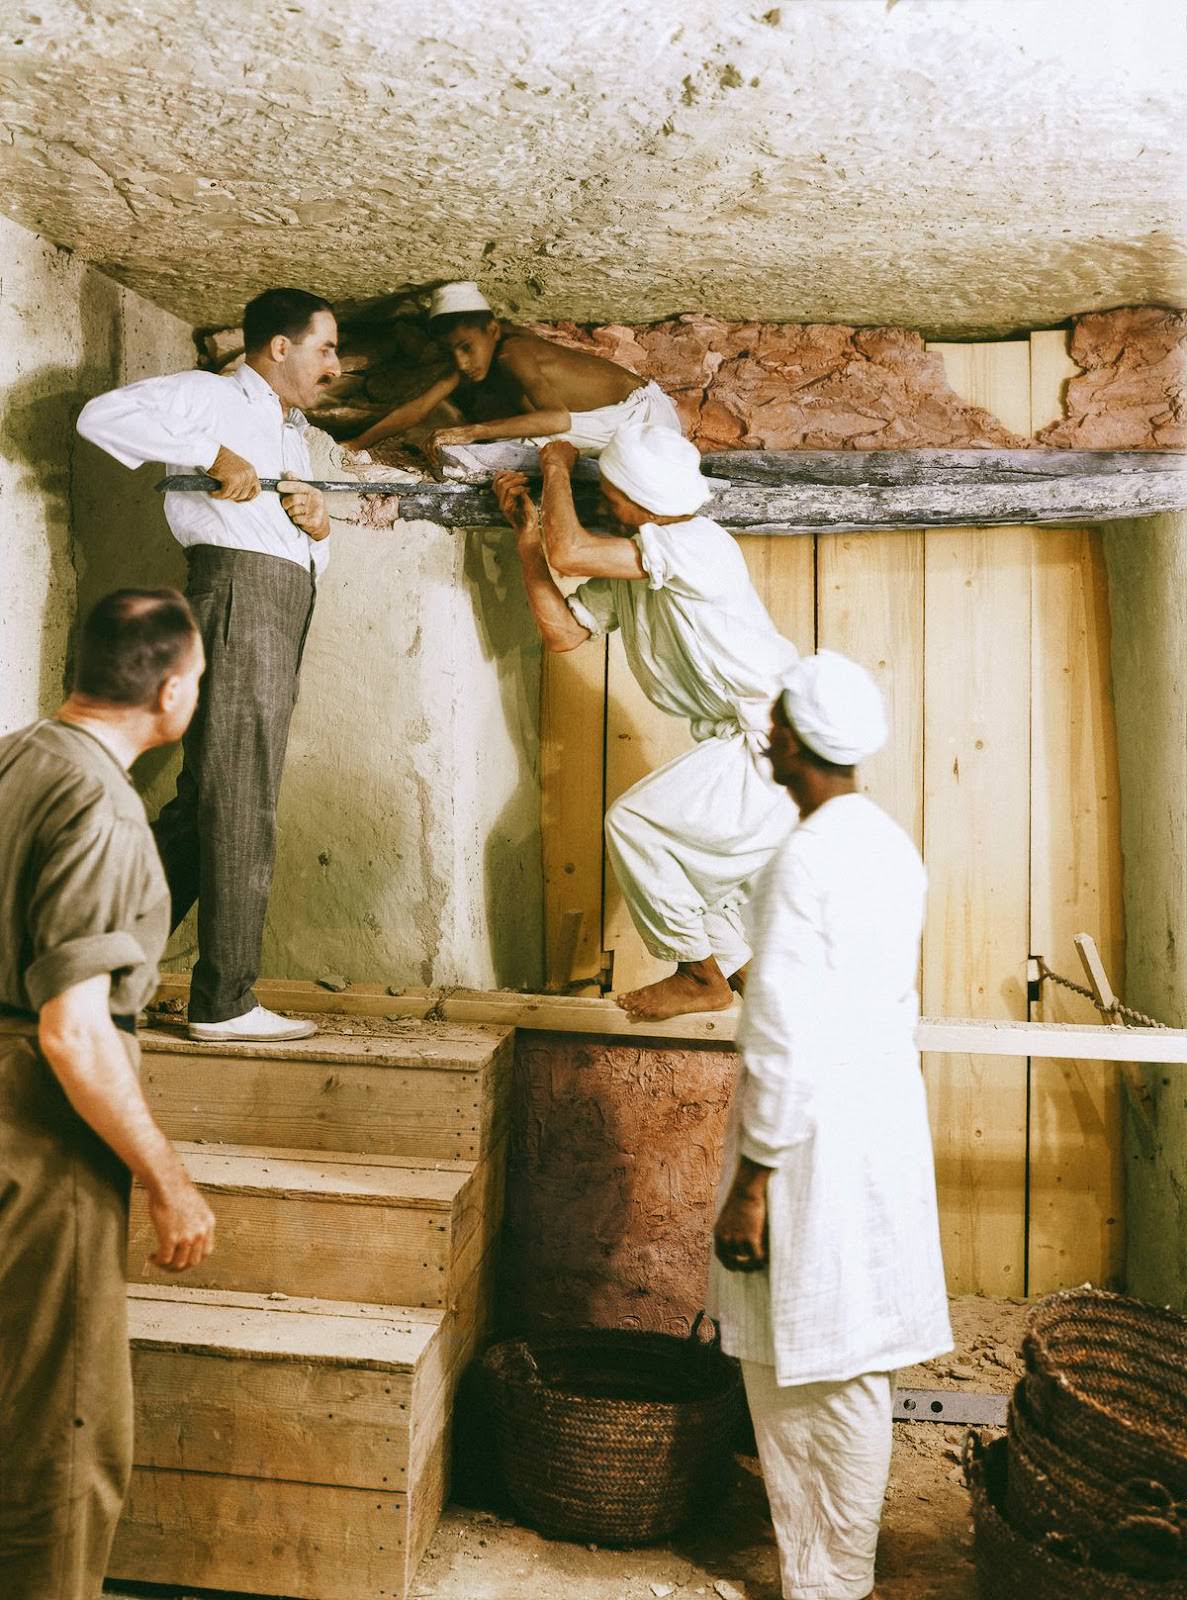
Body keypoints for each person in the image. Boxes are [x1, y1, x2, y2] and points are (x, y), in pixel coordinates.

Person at [710, 651, 952, 1600]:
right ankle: (834, 1572)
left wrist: (752, 1184)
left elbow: (779, 1037)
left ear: (798, 742)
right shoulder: (889, 845)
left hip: (808, 1144)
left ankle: (825, 1581)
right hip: (874, 1120)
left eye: (774, 724)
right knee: (848, 1365)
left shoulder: (800, 863)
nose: (765, 736)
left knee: (802, 1371)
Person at [0, 589, 217, 1599]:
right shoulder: (101, 806)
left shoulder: (14, 757)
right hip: (37, 1137)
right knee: (62, 1437)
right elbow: (73, 1031)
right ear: (170, 691)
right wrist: (165, 1175)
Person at [77, 287, 342, 1042]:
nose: (337, 364)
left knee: (205, 805)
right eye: (326, 347)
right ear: (279, 347)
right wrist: (210, 453)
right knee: (240, 795)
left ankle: (88, 973)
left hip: (283, 595)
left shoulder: (293, 435)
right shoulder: (210, 396)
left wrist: (319, 527)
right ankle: (223, 1003)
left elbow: (292, 534)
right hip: (238, 590)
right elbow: (100, 416)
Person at [493, 423, 800, 1020]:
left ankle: (697, 977)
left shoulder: (698, 543)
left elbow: (571, 551)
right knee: (685, 867)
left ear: (644, 500)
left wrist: (556, 464)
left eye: (610, 495)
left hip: (775, 737)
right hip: (746, 739)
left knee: (637, 825)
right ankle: (748, 985)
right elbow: (562, 635)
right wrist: (528, 544)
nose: (603, 503)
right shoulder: (639, 571)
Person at [343, 281, 681, 466]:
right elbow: (418, 408)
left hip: (646, 420)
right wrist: (356, 444)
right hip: (613, 431)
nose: (461, 362)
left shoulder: (512, 352)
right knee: (510, 449)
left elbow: (558, 420)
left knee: (504, 448)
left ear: (491, 329)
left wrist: (470, 431)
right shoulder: (480, 361)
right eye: (451, 352)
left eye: (465, 347)